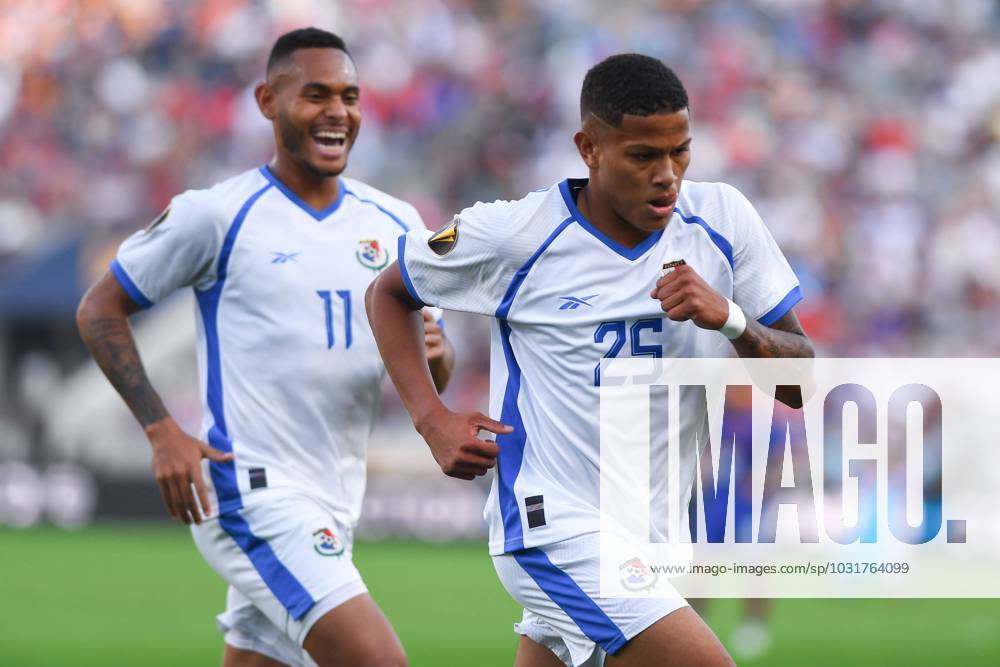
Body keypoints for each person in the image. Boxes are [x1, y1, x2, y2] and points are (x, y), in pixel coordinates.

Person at [366, 53, 812, 666]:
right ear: (589, 147)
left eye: (680, 151)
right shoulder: (517, 235)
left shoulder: (723, 221)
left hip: (650, 535)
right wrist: (430, 417)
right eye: (642, 156)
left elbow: (799, 381)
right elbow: (389, 291)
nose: (667, 175)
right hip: (554, 526)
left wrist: (732, 320)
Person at [76, 27, 452, 667]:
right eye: (315, 94)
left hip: (335, 493)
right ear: (266, 102)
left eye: (351, 95)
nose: (338, 111)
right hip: (250, 492)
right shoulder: (218, 215)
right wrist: (162, 431)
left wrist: (437, 357)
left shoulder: (397, 224)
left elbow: (435, 371)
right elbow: (99, 308)